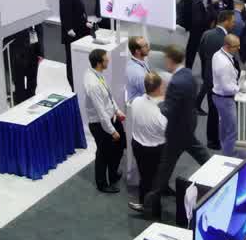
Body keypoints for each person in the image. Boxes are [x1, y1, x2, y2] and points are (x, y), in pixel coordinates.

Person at [146, 46, 212, 220]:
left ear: (170, 59)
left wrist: (158, 102)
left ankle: (150, 204)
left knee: (165, 168)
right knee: (201, 155)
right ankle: (220, 175)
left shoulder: (175, 82)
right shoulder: (189, 74)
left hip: (176, 132)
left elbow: (168, 110)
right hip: (189, 125)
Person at [85, 48, 126, 194]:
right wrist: (112, 131)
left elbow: (108, 96)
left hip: (111, 118)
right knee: (104, 154)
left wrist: (117, 110)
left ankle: (113, 174)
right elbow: (101, 112)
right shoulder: (93, 84)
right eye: (105, 59)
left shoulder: (98, 75)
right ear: (99, 63)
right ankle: (102, 183)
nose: (108, 60)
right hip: (101, 125)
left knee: (120, 146)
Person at [129, 72, 168, 213]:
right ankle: (155, 210)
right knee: (155, 180)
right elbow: (168, 131)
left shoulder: (136, 102)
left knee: (144, 177)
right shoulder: (159, 115)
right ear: (158, 88)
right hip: (155, 150)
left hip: (137, 146)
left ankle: (143, 203)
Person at [200, 10, 237, 148]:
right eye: (232, 21)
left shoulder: (206, 34)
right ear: (226, 21)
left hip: (208, 77)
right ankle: (221, 139)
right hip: (220, 81)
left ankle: (212, 140)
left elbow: (201, 54)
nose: (234, 24)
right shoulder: (227, 40)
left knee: (212, 110)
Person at [60, 0, 92, 90]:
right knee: (72, 62)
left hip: (80, 32)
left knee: (78, 60)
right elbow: (65, 15)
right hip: (72, 36)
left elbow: (78, 12)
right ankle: (74, 85)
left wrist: (85, 22)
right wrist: (69, 29)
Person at [212, 34, 242, 157]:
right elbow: (227, 88)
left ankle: (225, 149)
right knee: (232, 131)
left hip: (218, 97)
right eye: (236, 46)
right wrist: (239, 89)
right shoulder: (224, 64)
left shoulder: (217, 54)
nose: (238, 48)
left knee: (224, 126)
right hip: (225, 100)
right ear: (227, 46)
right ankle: (228, 156)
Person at [178, 0, 209, 70]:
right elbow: (197, 18)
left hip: (193, 31)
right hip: (196, 31)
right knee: (194, 52)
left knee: (191, 53)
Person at [125, 36, 151, 104]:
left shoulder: (138, 62)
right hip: (140, 105)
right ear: (137, 51)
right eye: (145, 46)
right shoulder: (137, 72)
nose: (148, 48)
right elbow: (149, 93)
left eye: (147, 45)